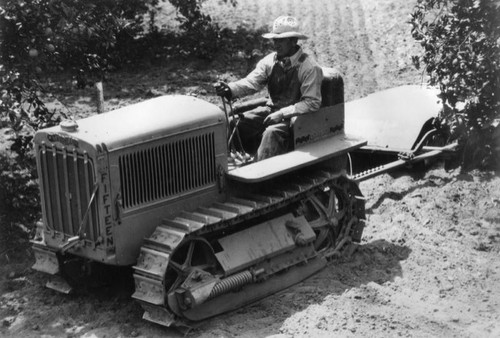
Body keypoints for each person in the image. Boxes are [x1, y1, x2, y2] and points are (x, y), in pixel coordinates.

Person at [215, 15, 323, 161]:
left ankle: (261, 172)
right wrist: (230, 89)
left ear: (293, 41)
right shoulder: (270, 61)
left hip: (295, 119)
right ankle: (234, 162)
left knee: (271, 133)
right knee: (236, 124)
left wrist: (282, 114)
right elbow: (251, 82)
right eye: (275, 40)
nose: (276, 44)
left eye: (281, 40)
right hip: (272, 109)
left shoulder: (309, 67)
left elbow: (312, 102)